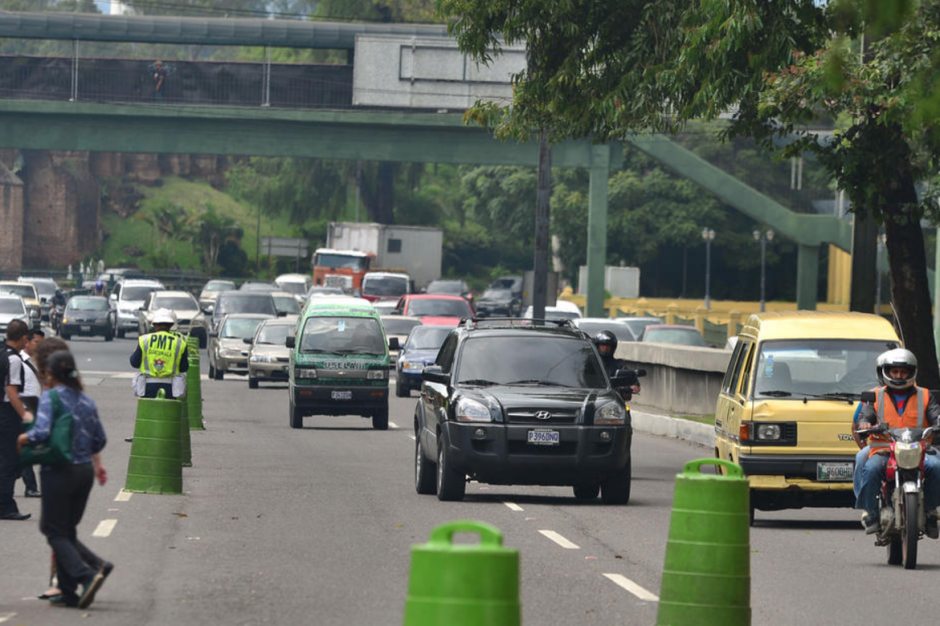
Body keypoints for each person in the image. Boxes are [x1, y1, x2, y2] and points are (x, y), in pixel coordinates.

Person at [16, 350, 112, 609]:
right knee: (67, 529)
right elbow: (100, 439)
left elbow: (41, 431)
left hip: (59, 471)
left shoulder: (51, 397)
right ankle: (69, 592)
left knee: (53, 529)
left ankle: (87, 574)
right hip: (83, 473)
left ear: (50, 374)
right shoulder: (86, 401)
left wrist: (24, 438)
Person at [856, 348, 940, 536]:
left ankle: (931, 511)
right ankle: (871, 513)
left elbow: (935, 414)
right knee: (870, 469)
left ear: (911, 372)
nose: (899, 375)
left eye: (903, 372)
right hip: (884, 449)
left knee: (936, 467)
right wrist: (865, 423)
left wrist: (938, 422)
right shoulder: (874, 395)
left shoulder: (926, 395)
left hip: (920, 449)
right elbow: (865, 414)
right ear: (887, 372)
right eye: (895, 371)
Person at [0, 320, 32, 520]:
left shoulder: (2, 354)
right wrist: (25, 415)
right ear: (23, 338)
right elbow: (11, 391)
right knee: (10, 461)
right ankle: (6, 506)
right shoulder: (14, 360)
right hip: (8, 415)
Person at [129, 308, 188, 399]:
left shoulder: (144, 340)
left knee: (148, 412)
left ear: (155, 325)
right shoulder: (179, 343)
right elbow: (184, 367)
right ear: (171, 325)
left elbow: (134, 363)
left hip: (148, 387)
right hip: (170, 389)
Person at [17, 328, 45, 498]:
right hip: (23, 411)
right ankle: (30, 486)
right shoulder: (18, 361)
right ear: (26, 341)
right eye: (37, 342)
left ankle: (19, 478)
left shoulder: (37, 361)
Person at [592, 330, 641, 397]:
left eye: (608, 346)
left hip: (613, 398)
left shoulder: (619, 364)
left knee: (625, 407)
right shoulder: (589, 364)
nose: (605, 348)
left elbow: (633, 382)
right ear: (597, 346)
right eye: (602, 345)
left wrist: (633, 386)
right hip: (593, 396)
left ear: (613, 347)